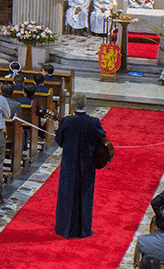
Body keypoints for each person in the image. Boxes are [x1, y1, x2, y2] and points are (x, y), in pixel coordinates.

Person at [54, 93, 107, 239]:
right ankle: (84, 229)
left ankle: (64, 228)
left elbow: (59, 140)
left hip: (69, 164)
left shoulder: (67, 121)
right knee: (84, 194)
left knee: (67, 194)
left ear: (72, 105)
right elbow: (102, 138)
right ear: (86, 104)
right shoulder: (93, 122)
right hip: (87, 163)